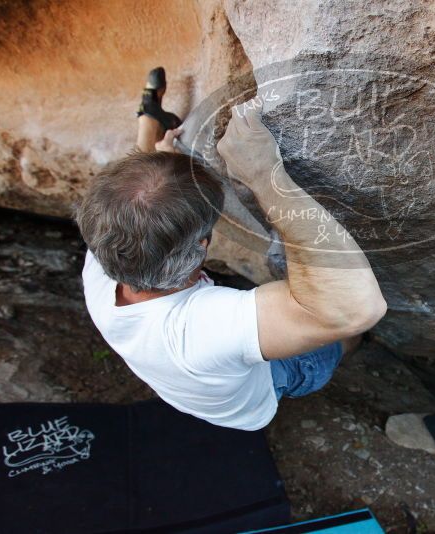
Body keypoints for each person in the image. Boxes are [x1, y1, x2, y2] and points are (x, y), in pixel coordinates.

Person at [74, 67, 387, 430]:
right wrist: (264, 175)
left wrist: (155, 149)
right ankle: (358, 349)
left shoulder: (101, 263)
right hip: (261, 393)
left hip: (186, 375)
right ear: (201, 246)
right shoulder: (198, 331)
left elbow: (128, 204)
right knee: (340, 341)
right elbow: (353, 309)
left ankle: (148, 115)